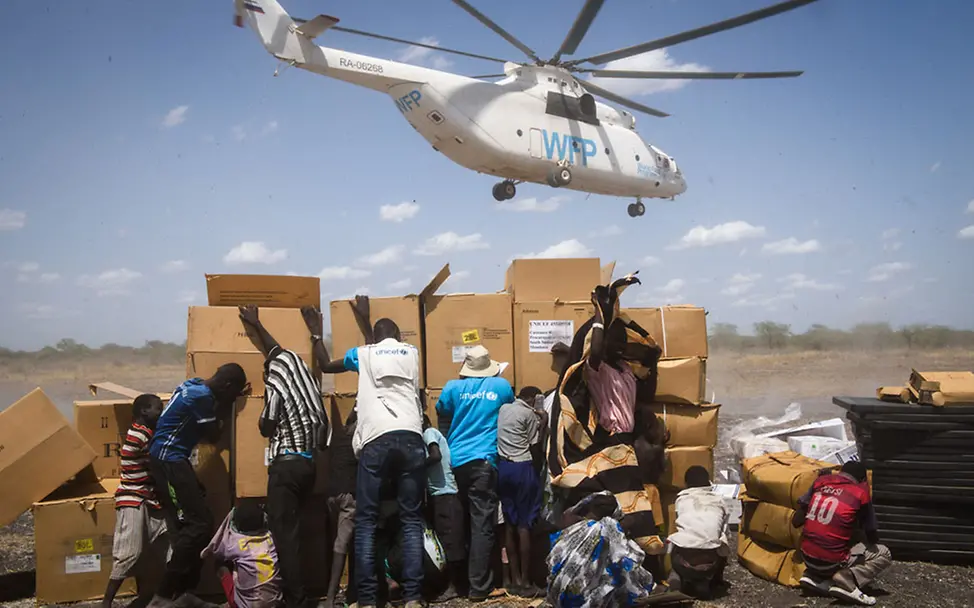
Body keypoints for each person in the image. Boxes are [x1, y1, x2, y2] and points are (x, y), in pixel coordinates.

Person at [318, 299, 426, 608]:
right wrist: (367, 321)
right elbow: (383, 351)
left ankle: (366, 599)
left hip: (376, 440)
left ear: (374, 338)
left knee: (365, 520)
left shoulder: (363, 355)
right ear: (399, 338)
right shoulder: (412, 354)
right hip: (411, 437)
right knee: (410, 520)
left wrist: (316, 334)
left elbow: (329, 365)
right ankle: (413, 597)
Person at [238, 305, 329, 608]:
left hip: (285, 469)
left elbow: (266, 425)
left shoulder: (275, 378)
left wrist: (261, 404)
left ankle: (297, 600)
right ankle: (302, 590)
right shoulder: (303, 374)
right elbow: (275, 349)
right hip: (308, 466)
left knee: (284, 537)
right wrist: (257, 323)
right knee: (295, 531)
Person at [148, 363, 248, 607]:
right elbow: (212, 436)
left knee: (192, 525)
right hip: (169, 460)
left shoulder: (193, 385)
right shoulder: (202, 397)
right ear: (226, 386)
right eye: (233, 392)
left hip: (169, 459)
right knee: (200, 524)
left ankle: (184, 594)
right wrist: (227, 406)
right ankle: (162, 595)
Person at [436, 344, 515, 601]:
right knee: (482, 525)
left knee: (462, 524)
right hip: (484, 462)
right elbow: (510, 410)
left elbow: (441, 411)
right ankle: (479, 587)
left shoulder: (452, 388)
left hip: (456, 462)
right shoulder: (501, 387)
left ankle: (458, 583)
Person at [792, 461, 891, 606]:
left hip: (807, 558)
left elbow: (796, 521)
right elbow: (872, 535)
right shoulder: (860, 494)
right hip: (831, 563)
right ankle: (848, 578)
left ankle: (817, 577)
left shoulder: (820, 482)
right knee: (884, 553)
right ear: (862, 480)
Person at [104, 394, 169, 608]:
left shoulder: (144, 431)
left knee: (168, 544)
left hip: (147, 495)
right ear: (144, 411)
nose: (160, 412)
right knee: (129, 552)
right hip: (133, 496)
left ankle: (162, 594)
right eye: (158, 409)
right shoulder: (139, 436)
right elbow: (159, 459)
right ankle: (106, 603)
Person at [496, 386, 545, 598]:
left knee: (509, 524)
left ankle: (513, 580)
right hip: (522, 468)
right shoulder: (528, 414)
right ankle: (526, 582)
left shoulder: (504, 409)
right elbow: (535, 447)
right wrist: (543, 424)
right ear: (533, 399)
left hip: (503, 468)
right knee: (525, 525)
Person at [202, 499, 283, 607]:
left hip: (248, 606)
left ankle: (234, 603)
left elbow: (215, 552)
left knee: (221, 564)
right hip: (275, 604)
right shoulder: (270, 539)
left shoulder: (235, 544)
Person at [665, 466, 730, 600]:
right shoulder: (720, 501)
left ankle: (676, 578)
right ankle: (713, 581)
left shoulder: (681, 500)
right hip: (711, 564)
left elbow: (678, 525)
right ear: (708, 482)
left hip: (684, 563)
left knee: (677, 540)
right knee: (721, 540)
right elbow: (724, 531)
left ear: (687, 483)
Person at [422, 414, 464, 602]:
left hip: (445, 495)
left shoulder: (429, 432)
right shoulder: (434, 433)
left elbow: (435, 456)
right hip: (442, 496)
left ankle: (453, 587)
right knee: (445, 542)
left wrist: (414, 466)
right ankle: (449, 584)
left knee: (450, 543)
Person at [322, 403, 358, 608]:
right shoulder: (359, 438)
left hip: (331, 495)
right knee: (343, 544)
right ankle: (330, 598)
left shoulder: (338, 436)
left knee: (341, 541)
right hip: (349, 496)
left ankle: (349, 590)